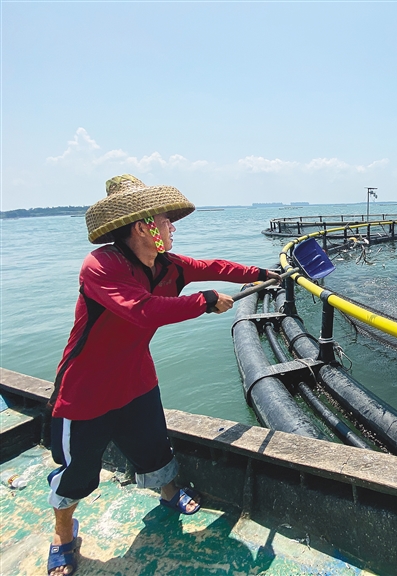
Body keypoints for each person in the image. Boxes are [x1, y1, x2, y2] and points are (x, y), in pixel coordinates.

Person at [46, 174, 281, 576]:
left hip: (137, 379)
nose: (172, 228)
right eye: (165, 221)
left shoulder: (168, 265)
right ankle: (63, 534)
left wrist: (260, 273)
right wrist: (204, 302)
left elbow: (212, 266)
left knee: (154, 448)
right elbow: (143, 309)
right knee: (77, 472)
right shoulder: (101, 266)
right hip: (85, 391)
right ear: (142, 227)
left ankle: (169, 492)